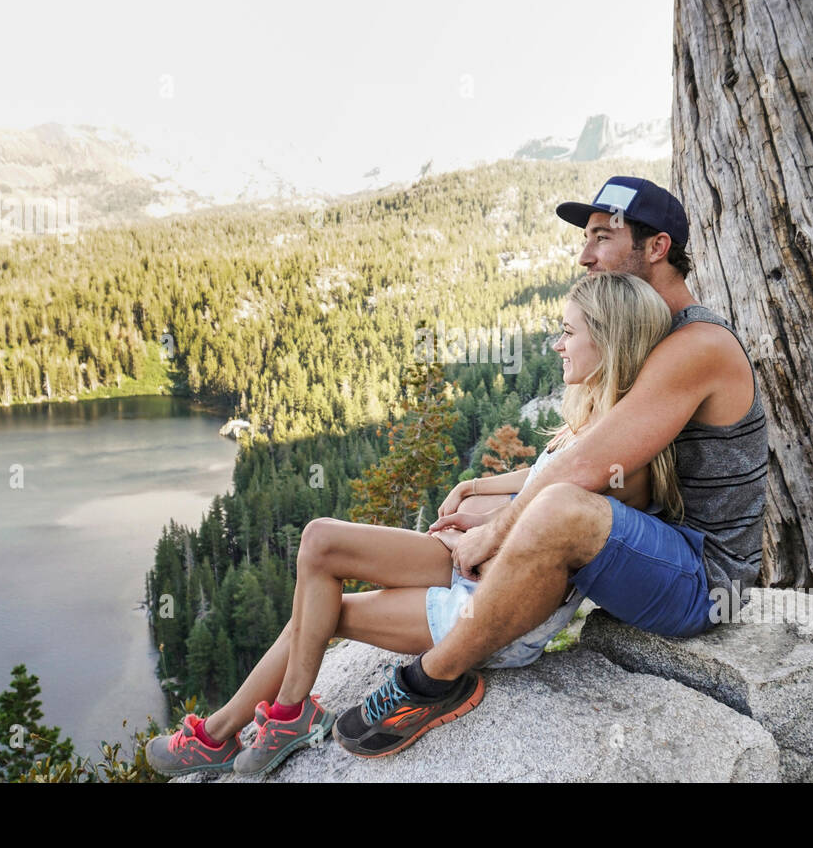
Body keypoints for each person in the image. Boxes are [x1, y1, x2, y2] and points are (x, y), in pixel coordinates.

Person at [145, 270, 685, 777]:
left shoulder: (625, 465)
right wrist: (476, 493)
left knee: (323, 610)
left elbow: (554, 535)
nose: (557, 345)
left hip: (490, 613)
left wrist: (478, 528)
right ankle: (238, 729)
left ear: (610, 342)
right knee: (320, 540)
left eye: (568, 332)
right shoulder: (596, 424)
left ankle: (258, 724)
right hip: (474, 568)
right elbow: (541, 481)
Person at [329, 175, 768, 759]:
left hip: (707, 578)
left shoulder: (696, 345)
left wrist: (493, 532)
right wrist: (483, 497)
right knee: (506, 508)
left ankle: (432, 681)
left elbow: (587, 464)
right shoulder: (653, 332)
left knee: (556, 507)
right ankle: (454, 606)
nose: (585, 256)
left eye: (602, 238)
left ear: (657, 247)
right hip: (662, 546)